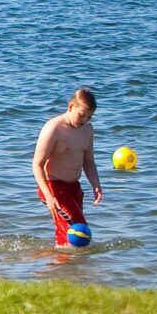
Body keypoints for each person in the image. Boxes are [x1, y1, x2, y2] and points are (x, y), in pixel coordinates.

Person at [32, 88, 104, 247]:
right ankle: (71, 268)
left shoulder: (87, 129)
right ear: (70, 106)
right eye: (81, 114)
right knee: (79, 231)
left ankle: (56, 265)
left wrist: (96, 184)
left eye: (89, 116)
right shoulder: (53, 129)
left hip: (74, 188)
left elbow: (89, 162)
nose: (84, 120)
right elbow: (37, 164)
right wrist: (49, 196)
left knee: (67, 235)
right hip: (54, 187)